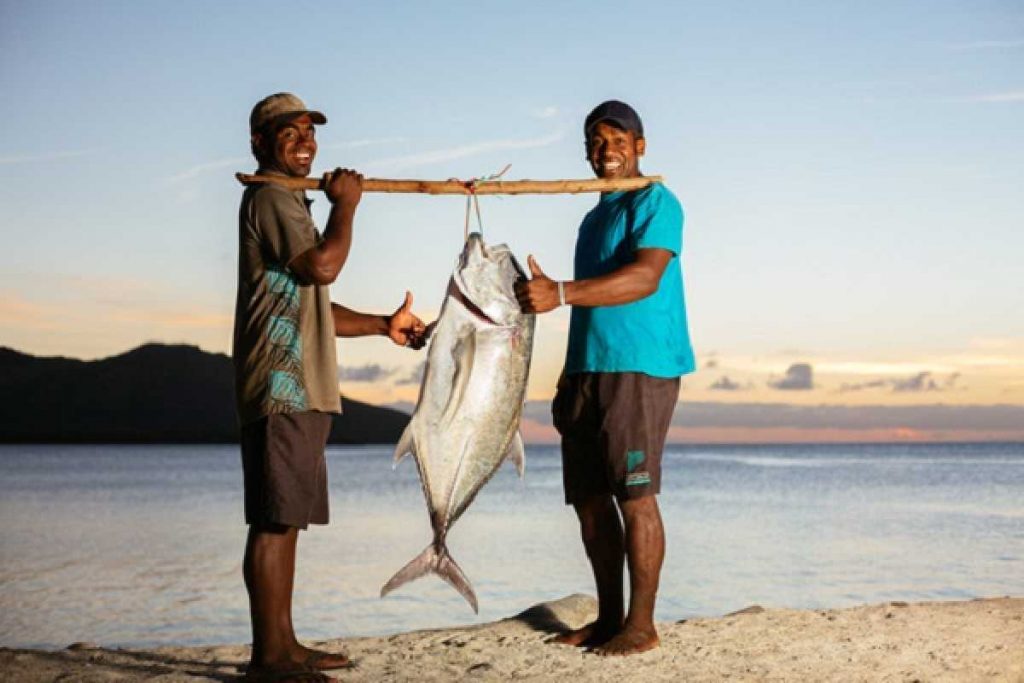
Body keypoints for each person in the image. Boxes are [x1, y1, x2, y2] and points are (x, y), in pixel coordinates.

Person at [233, 92, 426, 681]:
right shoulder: (269, 197)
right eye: (288, 133)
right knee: (272, 521)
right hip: (282, 385)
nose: (304, 143)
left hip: (306, 387)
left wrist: (381, 326)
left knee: (287, 518)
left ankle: (284, 645)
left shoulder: (290, 203)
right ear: (260, 144)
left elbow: (314, 302)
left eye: (308, 133)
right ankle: (270, 659)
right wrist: (348, 205)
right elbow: (323, 267)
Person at [515, 100, 695, 656]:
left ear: (641, 145)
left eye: (618, 139)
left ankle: (641, 625)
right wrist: (570, 375)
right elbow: (586, 307)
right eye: (596, 140)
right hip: (588, 370)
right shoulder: (593, 218)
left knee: (633, 496)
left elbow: (643, 278)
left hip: (640, 368)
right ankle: (609, 616)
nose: (606, 149)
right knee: (590, 501)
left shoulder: (658, 202)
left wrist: (561, 292)